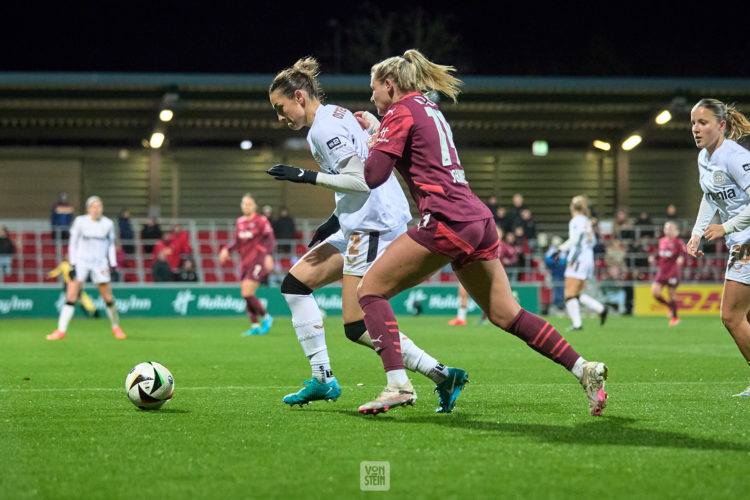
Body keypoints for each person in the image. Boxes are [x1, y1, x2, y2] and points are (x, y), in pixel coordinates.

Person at [356, 49, 608, 417]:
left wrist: (371, 142)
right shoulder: (428, 108)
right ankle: (583, 369)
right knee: (507, 314)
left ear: (389, 85)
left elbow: (373, 175)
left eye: (373, 89)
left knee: (370, 291)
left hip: (446, 219)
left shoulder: (398, 110)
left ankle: (398, 384)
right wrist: (380, 132)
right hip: (477, 219)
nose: (372, 97)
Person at [267, 57, 467, 412]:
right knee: (295, 285)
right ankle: (323, 378)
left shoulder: (323, 130)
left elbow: (359, 181)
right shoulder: (336, 115)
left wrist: (304, 176)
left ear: (299, 96)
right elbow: (361, 170)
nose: (280, 118)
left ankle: (438, 374)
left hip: (373, 223)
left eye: (280, 109)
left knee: (356, 322)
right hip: (356, 221)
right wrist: (334, 219)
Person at [685, 98, 750, 397]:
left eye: (703, 123)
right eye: (693, 124)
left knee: (731, 316)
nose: (696, 129)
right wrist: (697, 233)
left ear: (721, 125)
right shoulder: (704, 158)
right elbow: (710, 197)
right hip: (740, 242)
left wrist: (726, 227)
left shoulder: (734, 156)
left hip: (746, 242)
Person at [47, 196, 126, 340]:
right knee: (71, 296)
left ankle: (116, 327)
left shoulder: (108, 223)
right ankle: (61, 330)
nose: (96, 209)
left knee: (107, 297)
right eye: (93, 207)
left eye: (99, 206)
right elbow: (73, 243)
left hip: (100, 263)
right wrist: (73, 264)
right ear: (88, 208)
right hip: (82, 263)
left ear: (102, 208)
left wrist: (113, 263)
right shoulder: (80, 222)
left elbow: (110, 245)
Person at [219, 193, 276, 336]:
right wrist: (227, 249)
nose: (246, 206)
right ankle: (255, 325)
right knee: (246, 294)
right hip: (243, 262)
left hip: (257, 260)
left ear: (255, 206)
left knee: (247, 292)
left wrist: (268, 255)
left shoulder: (261, 221)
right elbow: (237, 242)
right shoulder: (240, 222)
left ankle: (266, 317)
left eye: (249, 204)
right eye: (244, 203)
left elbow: (271, 238)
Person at [558, 195, 608, 331]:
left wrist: (560, 249)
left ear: (572, 207)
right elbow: (593, 242)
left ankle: (577, 324)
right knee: (576, 293)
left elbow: (575, 240)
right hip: (587, 259)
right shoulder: (587, 221)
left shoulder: (575, 221)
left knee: (569, 294)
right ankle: (601, 308)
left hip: (578, 260)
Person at [649, 221, 686, 326]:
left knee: (671, 294)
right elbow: (659, 253)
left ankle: (675, 318)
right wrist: (653, 258)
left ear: (675, 230)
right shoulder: (661, 241)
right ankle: (670, 306)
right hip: (662, 271)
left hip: (673, 271)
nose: (668, 230)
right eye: (666, 228)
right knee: (655, 293)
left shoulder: (678, 242)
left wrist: (680, 258)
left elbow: (683, 253)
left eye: (670, 228)